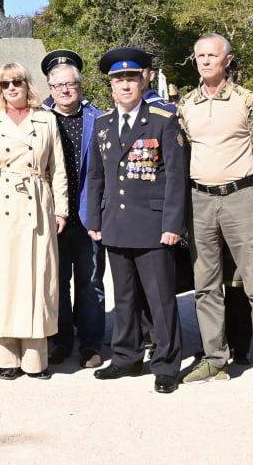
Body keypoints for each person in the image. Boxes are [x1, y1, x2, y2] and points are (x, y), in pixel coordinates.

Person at [178, 33, 253, 402]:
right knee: (205, 285)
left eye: (213, 55)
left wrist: (250, 197)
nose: (206, 61)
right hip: (199, 200)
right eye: (200, 56)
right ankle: (214, 359)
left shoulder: (247, 100)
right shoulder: (186, 104)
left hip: (240, 198)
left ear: (227, 60)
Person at [87, 48, 187, 393]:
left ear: (143, 81)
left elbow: (175, 176)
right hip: (115, 223)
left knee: (160, 299)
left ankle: (166, 364)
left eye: (131, 78)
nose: (125, 85)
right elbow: (96, 176)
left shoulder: (162, 119)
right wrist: (94, 218)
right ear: (111, 85)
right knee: (125, 298)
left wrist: (173, 225)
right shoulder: (103, 124)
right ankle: (125, 357)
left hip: (153, 224)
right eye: (119, 80)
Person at [0, 62, 67, 379]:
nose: (12, 88)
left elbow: (58, 169)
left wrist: (61, 210)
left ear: (28, 84)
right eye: (5, 84)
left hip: (37, 204)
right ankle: (5, 355)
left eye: (17, 82)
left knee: (37, 278)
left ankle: (35, 357)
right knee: (4, 279)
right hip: (0, 204)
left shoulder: (46, 119)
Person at [41, 49, 106, 368]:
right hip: (52, 216)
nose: (65, 90)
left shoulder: (99, 119)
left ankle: (91, 343)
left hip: (88, 214)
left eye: (71, 84)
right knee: (57, 282)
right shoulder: (39, 119)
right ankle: (61, 340)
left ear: (80, 86)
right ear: (50, 89)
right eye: (59, 85)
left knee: (90, 281)